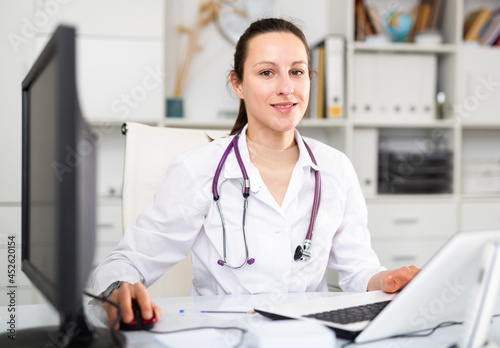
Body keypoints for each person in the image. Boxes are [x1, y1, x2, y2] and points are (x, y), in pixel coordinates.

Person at [92, 17, 420, 329]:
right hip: (221, 337)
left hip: (308, 337)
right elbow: (128, 261)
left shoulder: (335, 169)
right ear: (237, 84)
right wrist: (116, 289)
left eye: (297, 71)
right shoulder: (198, 169)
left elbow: (358, 270)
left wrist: (387, 281)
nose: (286, 88)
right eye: (266, 73)